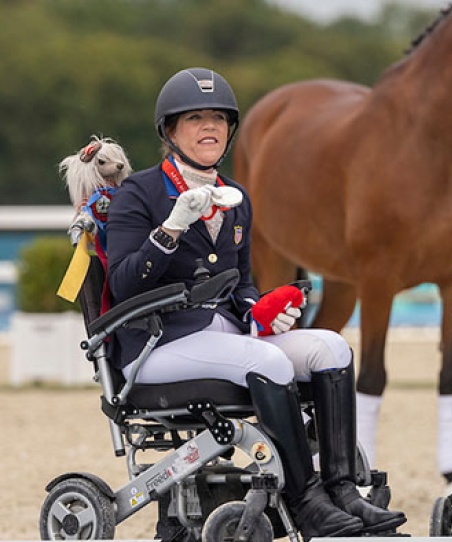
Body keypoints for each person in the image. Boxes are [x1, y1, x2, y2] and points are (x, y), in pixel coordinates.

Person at [105, 67, 406, 539]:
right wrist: (171, 228)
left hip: (223, 334)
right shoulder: (138, 194)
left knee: (332, 348)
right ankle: (305, 502)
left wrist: (260, 311)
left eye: (219, 119)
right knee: (265, 359)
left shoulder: (236, 197)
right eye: (195, 118)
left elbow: (240, 284)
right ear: (170, 131)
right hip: (156, 344)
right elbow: (123, 285)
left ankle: (343, 489)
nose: (209, 127)